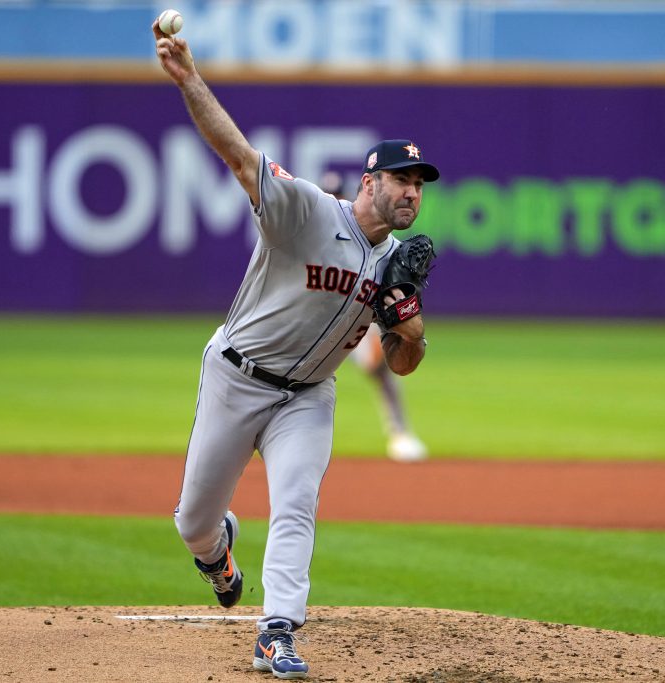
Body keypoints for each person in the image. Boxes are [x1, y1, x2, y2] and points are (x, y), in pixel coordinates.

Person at [154, 20, 439, 681]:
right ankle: (217, 552)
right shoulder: (308, 211)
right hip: (237, 377)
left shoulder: (400, 264)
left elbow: (402, 361)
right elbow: (234, 151)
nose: (413, 192)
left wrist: (411, 327)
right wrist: (189, 77)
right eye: (402, 179)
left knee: (297, 501)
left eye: (420, 184)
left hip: (307, 397)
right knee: (193, 519)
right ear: (370, 182)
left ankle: (277, 630)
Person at [319, 171, 429, 463]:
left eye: (339, 194)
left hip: (357, 312)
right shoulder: (313, 231)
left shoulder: (373, 242)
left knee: (378, 368)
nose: (336, 200)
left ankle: (400, 433)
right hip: (315, 316)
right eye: (330, 195)